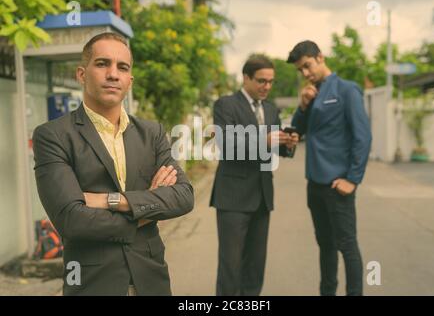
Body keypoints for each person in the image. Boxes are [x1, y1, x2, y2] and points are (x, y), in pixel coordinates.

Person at [32, 32, 194, 296]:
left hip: (152, 281)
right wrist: (147, 207)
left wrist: (113, 201)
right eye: (102, 63)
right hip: (93, 283)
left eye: (122, 67)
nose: (113, 74)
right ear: (81, 74)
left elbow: (184, 196)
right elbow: (72, 221)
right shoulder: (53, 136)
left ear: (129, 80)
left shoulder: (151, 133)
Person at [210, 54, 299, 296]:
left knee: (256, 266)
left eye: (270, 82)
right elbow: (226, 144)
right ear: (246, 78)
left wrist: (288, 144)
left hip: (262, 196)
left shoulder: (271, 110)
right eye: (261, 81)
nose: (266, 87)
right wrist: (264, 139)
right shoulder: (225, 105)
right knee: (231, 265)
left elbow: (276, 148)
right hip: (233, 198)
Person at [287, 40, 372, 296]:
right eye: (300, 70)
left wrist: (353, 179)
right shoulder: (311, 93)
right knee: (325, 245)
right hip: (314, 184)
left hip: (338, 185)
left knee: (347, 245)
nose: (305, 73)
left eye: (307, 66)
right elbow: (297, 131)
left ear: (320, 58)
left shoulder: (347, 90)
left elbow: (363, 137)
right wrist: (302, 105)